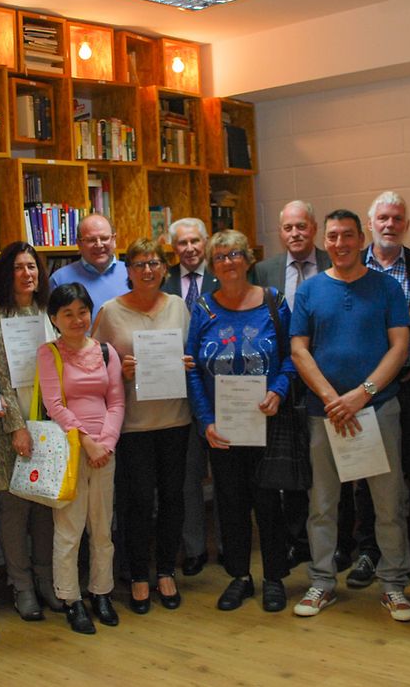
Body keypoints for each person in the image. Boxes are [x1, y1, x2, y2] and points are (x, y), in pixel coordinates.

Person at [289, 209, 410, 622]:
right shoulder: (310, 290)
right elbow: (298, 350)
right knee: (323, 504)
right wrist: (332, 398)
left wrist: (362, 395)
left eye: (347, 235)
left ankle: (393, 585)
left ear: (362, 239)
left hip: (378, 409)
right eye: (332, 236)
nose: (340, 244)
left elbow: (400, 346)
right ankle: (322, 581)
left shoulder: (386, 287)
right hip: (324, 413)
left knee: (388, 504)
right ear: (324, 241)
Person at [186, 229, 295, 612]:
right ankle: (239, 577)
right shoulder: (203, 308)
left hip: (266, 422)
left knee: (269, 503)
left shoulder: (273, 301)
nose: (227, 262)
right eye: (219, 257)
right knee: (230, 504)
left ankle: (275, 577)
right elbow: (191, 367)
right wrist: (205, 420)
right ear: (212, 266)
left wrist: (279, 390)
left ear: (248, 259)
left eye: (234, 254)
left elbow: (291, 355)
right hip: (223, 427)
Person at [94, 238, 193, 614]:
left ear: (165, 269)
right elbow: (92, 365)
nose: (147, 270)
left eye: (154, 263)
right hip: (132, 425)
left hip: (175, 419)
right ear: (128, 270)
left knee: (172, 498)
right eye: (139, 264)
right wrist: (119, 370)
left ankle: (166, 570)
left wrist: (187, 363)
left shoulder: (178, 306)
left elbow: (194, 351)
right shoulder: (110, 311)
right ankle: (137, 574)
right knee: (136, 502)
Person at [358, 191, 410, 593]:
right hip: (367, 389)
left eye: (397, 218)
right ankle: (368, 550)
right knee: (366, 472)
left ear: (407, 225)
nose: (389, 225)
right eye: (383, 218)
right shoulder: (353, 266)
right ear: (370, 224)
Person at [38, 283, 125, 635]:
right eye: (68, 314)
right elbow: (54, 405)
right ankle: (71, 599)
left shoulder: (106, 351)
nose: (77, 320)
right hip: (69, 452)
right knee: (69, 530)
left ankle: (101, 592)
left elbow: (116, 401)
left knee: (102, 528)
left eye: (83, 312)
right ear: (54, 319)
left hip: (105, 452)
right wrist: (87, 442)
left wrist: (107, 443)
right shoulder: (49, 353)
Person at [0, 241, 59, 621]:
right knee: (14, 511)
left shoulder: (47, 311)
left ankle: (46, 580)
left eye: (32, 267)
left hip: (48, 422)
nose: (27, 274)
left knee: (45, 507)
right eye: (19, 267)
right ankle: (22, 585)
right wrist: (16, 427)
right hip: (12, 425)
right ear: (5, 274)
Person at [252, 200, 329, 568]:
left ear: (313, 228)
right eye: (288, 228)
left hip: (327, 375)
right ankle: (298, 540)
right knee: (291, 459)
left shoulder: (333, 261)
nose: (295, 233)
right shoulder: (264, 270)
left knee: (328, 462)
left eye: (301, 226)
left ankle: (335, 542)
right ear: (280, 232)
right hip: (283, 377)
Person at [163, 217, 219, 577]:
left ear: (206, 242)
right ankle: (195, 548)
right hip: (177, 395)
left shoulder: (224, 274)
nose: (189, 249)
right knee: (188, 479)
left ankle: (230, 545)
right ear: (174, 248)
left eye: (195, 241)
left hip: (220, 392)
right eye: (182, 243)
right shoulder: (162, 280)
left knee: (227, 477)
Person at [48, 213, 128, 320]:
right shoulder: (59, 279)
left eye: (104, 238)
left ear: (114, 239)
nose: (99, 245)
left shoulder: (132, 273)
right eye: (91, 240)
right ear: (79, 244)